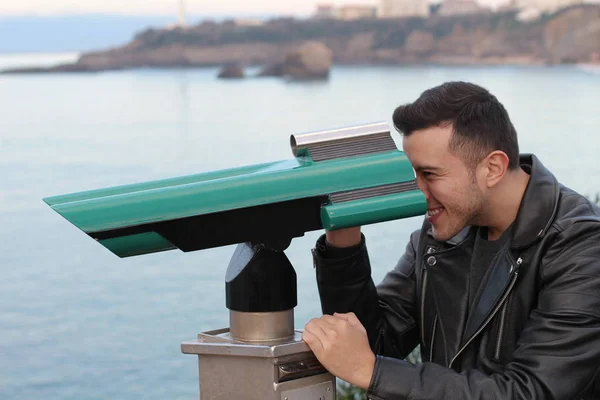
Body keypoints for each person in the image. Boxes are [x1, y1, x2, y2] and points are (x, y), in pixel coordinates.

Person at [302, 81, 600, 399]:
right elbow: (375, 343)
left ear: (493, 168)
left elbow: (532, 392)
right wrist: (343, 235)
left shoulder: (582, 249)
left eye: (429, 175)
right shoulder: (444, 230)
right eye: (412, 174)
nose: (417, 192)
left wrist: (371, 371)